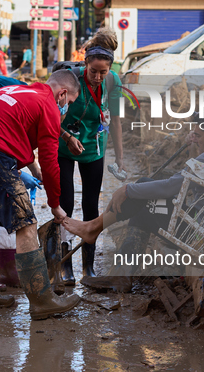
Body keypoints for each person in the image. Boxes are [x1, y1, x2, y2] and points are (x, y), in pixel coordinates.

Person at [63, 109, 204, 292]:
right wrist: (194, 147)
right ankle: (115, 265)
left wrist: (127, 189)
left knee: (144, 193)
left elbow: (171, 186)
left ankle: (98, 236)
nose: (194, 138)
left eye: (198, 136)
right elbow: (195, 176)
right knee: (145, 202)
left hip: (203, 236)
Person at [0, 69, 82, 319]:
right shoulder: (48, 105)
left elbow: (7, 128)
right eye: (67, 103)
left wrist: (32, 168)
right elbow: (50, 160)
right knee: (26, 225)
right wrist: (55, 204)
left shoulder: (16, 90)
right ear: (62, 94)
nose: (65, 108)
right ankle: (41, 300)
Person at [57, 28, 124, 286]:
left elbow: (115, 119)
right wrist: (66, 138)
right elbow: (52, 119)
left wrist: (119, 157)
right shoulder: (71, 80)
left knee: (91, 206)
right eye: (93, 70)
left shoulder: (113, 82)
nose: (97, 77)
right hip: (65, 145)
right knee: (66, 205)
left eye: (102, 72)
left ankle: (88, 267)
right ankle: (65, 266)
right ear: (85, 63)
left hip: (94, 148)